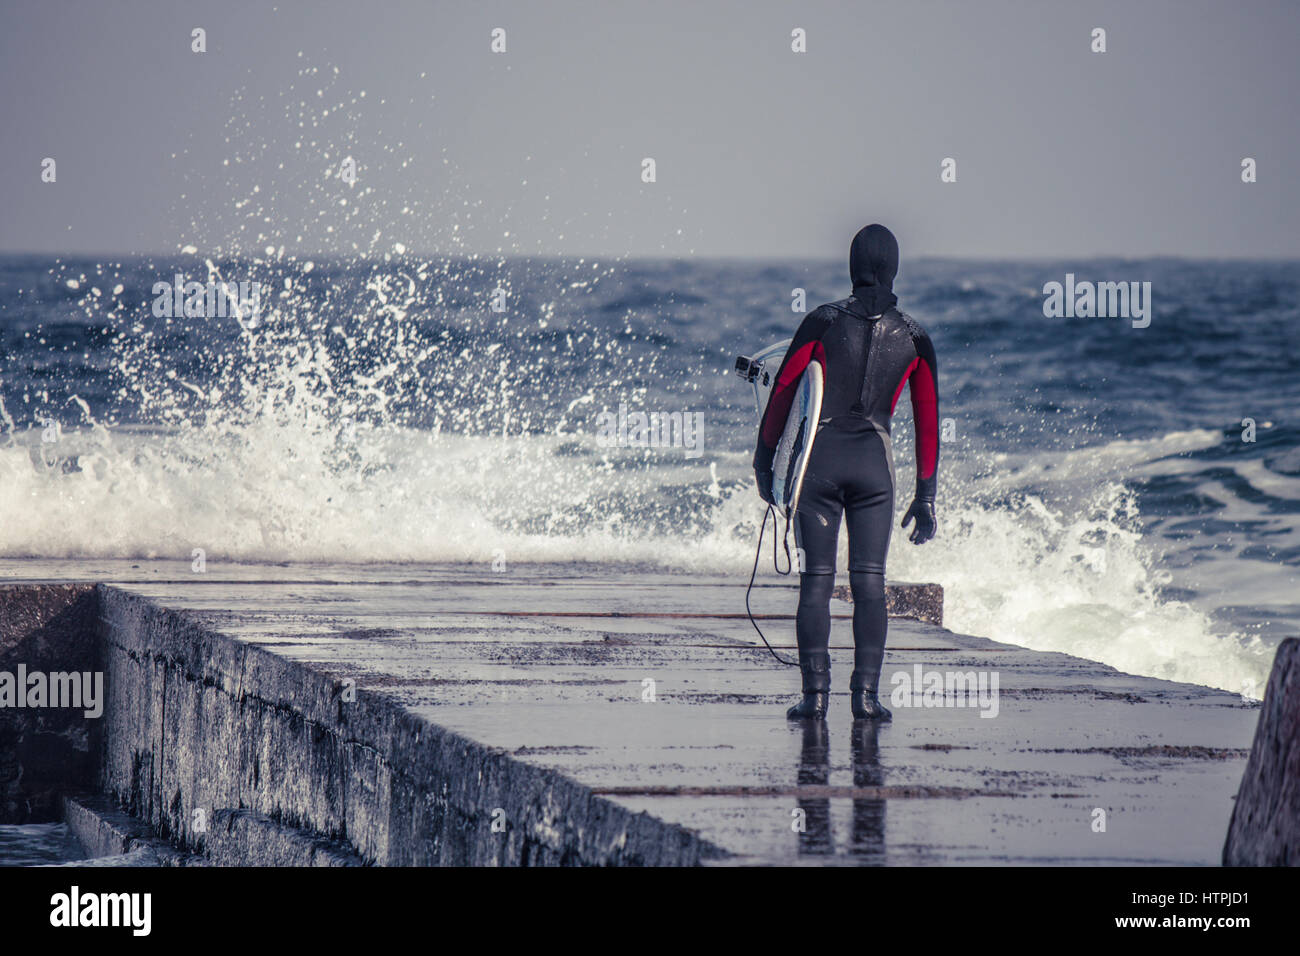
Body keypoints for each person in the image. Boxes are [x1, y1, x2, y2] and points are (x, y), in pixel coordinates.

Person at [754, 224, 939, 721]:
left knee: (816, 580)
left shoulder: (821, 321)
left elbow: (784, 394)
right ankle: (866, 697)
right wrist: (926, 496)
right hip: (874, 470)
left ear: (851, 267)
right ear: (895, 268)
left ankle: (814, 698)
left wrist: (765, 461)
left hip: (820, 463)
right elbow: (928, 422)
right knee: (870, 583)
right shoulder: (917, 338)